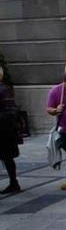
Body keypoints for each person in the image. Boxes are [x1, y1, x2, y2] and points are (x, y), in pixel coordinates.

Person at [0, 66, 21, 194]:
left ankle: (13, 182)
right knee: (7, 157)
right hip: (5, 129)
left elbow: (10, 110)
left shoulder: (3, 89)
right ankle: (13, 182)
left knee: (7, 157)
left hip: (4, 130)